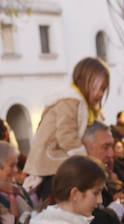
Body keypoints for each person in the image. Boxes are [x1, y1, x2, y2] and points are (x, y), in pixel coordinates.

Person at [26, 57, 111, 194]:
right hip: (51, 161)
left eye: (104, 90)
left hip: (58, 161)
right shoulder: (70, 101)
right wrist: (84, 162)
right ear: (85, 82)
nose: (101, 94)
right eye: (99, 88)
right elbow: (66, 136)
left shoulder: (85, 107)